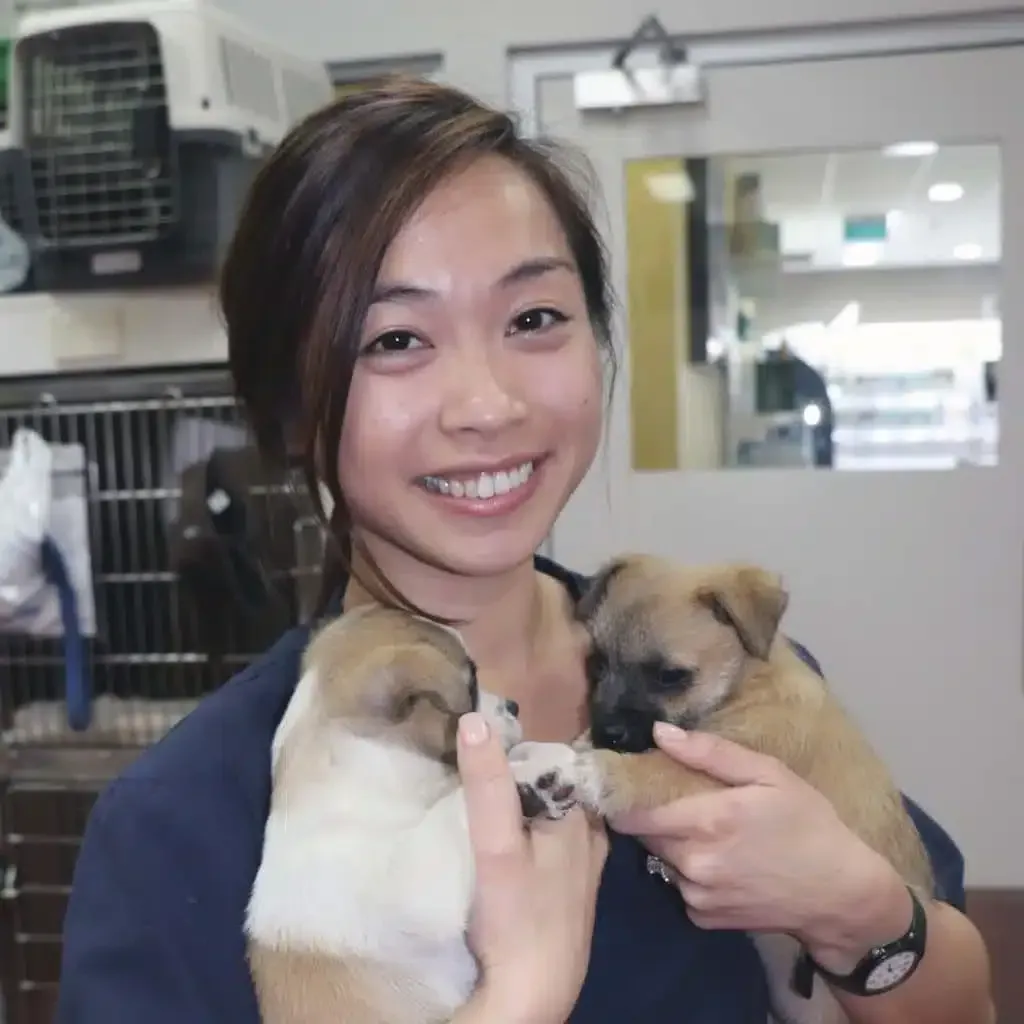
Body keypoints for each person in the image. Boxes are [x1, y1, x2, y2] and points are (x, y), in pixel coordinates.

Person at [56, 78, 993, 1024]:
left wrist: (858, 915)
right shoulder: (183, 824)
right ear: (293, 410)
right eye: (396, 338)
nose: (490, 404)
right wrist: (520, 998)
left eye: (535, 319)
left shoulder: (720, 676)